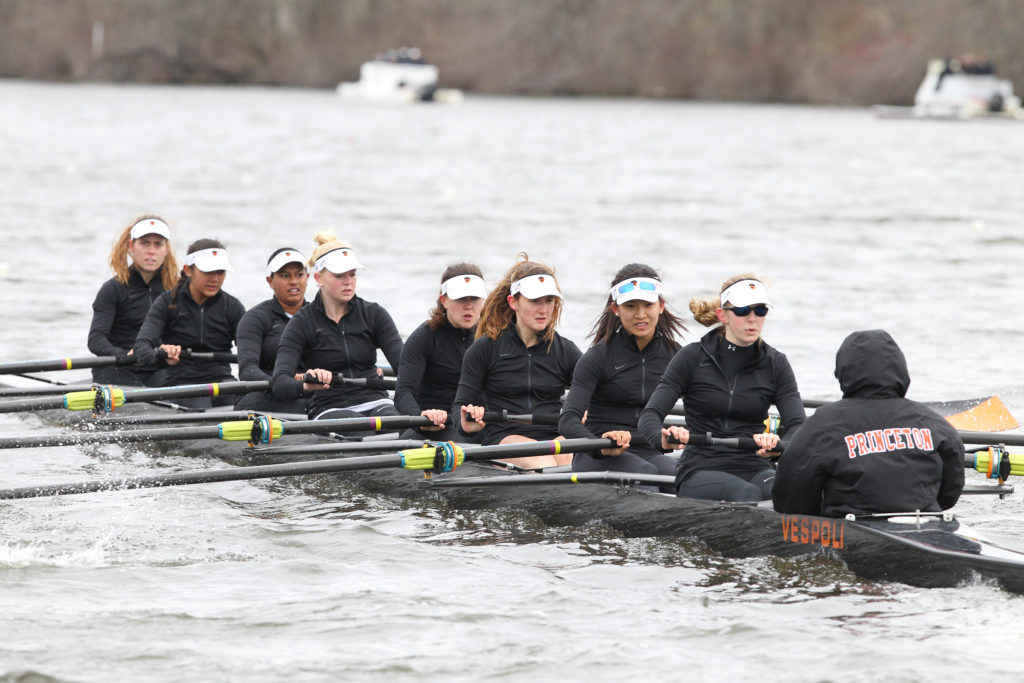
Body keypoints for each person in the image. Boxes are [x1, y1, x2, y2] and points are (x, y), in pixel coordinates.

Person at [638, 274, 805, 502]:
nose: (753, 318)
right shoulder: (691, 358)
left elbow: (798, 425)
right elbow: (650, 416)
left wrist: (779, 445)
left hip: (754, 463)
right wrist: (664, 439)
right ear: (722, 315)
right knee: (747, 494)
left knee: (789, 490)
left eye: (761, 311)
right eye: (743, 310)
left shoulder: (776, 363)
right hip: (700, 466)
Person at [773, 330, 965, 517]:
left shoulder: (822, 423)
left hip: (853, 527)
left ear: (843, 372)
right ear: (900, 370)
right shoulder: (934, 422)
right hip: (925, 522)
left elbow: (789, 499)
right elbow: (950, 492)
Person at [559, 264, 685, 484]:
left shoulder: (677, 356)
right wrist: (600, 445)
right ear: (616, 309)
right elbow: (568, 420)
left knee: (683, 476)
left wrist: (679, 432)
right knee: (645, 474)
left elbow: (704, 413)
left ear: (661, 306)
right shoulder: (598, 357)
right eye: (630, 306)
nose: (640, 314)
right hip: (599, 455)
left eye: (648, 304)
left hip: (650, 452)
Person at [453, 253, 582, 469]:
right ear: (514, 302)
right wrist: (466, 423)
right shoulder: (485, 349)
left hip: (555, 435)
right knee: (545, 462)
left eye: (549, 300)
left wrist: (588, 412)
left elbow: (598, 397)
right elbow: (459, 407)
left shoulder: (566, 351)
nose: (543, 309)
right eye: (535, 301)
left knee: (563, 458)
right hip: (505, 436)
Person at [271, 232, 404, 423]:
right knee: (355, 425)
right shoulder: (301, 323)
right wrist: (307, 384)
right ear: (318, 278)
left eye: (352, 274)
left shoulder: (374, 314)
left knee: (394, 423)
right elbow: (280, 382)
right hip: (328, 405)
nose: (348, 281)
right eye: (339, 275)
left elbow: (405, 367)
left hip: (376, 401)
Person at [133, 239, 245, 408]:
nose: (215, 279)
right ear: (188, 270)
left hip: (221, 379)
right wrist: (161, 354)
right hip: (179, 379)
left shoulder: (232, 307)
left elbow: (252, 351)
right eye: (208, 271)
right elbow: (142, 347)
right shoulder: (167, 302)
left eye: (220, 272)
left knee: (238, 402)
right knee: (198, 402)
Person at [394, 264, 487, 441]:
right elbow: (403, 392)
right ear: (443, 300)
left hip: (477, 424)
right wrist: (420, 417)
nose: (469, 307)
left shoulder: (491, 338)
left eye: (474, 299)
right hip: (433, 427)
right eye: (461, 299)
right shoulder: (425, 337)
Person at [88, 215, 179, 386]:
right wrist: (125, 355)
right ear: (131, 246)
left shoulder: (175, 291)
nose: (151, 251)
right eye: (145, 243)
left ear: (166, 249)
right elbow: (96, 340)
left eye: (157, 244)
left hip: (156, 368)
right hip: (116, 367)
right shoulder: (112, 289)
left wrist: (173, 351)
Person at [234, 248, 310, 414]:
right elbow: (247, 370)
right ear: (270, 281)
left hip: (310, 390)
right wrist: (286, 385)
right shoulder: (254, 319)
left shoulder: (320, 316)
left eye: (299, 275)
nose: (294, 281)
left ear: (308, 277)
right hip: (266, 394)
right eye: (284, 276)